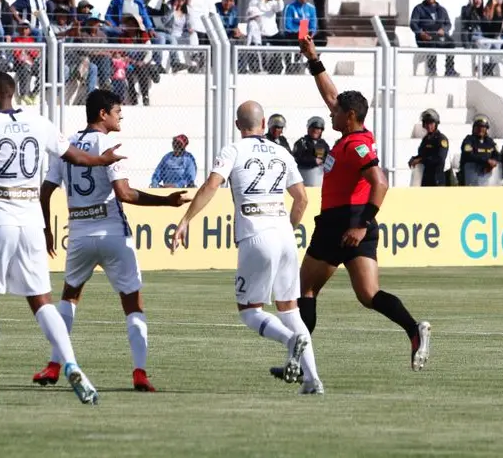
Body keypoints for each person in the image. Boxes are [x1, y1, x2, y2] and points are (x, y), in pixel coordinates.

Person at [0, 72, 125, 406]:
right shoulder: (40, 122)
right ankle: (72, 364)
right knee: (42, 300)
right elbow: (74, 156)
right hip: (31, 219)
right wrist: (102, 160)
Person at [272, 35, 430, 379]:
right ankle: (414, 330)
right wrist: (313, 58)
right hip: (356, 223)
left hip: (342, 222)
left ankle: (296, 361)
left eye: (338, 112)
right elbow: (331, 94)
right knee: (368, 294)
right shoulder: (351, 136)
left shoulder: (356, 145)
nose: (332, 112)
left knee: (305, 290)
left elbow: (381, 182)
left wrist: (361, 223)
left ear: (351, 115)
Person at [31, 90, 191, 392]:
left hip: (78, 233)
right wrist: (166, 202)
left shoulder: (66, 144)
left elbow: (46, 190)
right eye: (118, 111)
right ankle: (140, 373)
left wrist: (47, 229)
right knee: (132, 303)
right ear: (103, 114)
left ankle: (54, 365)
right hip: (112, 232)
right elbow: (125, 194)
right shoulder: (107, 145)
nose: (121, 117)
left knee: (68, 297)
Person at [171, 100, 323, 395]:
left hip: (256, 233)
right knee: (290, 309)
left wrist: (186, 219)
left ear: (238, 125)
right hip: (284, 235)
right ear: (264, 124)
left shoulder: (233, 150)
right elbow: (302, 199)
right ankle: (312, 379)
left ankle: (290, 341)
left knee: (249, 310)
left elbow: (211, 186)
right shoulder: (282, 151)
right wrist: (287, 229)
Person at [410, 0, 457, 77]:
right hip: (425, 36)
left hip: (439, 36)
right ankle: (432, 70)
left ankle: (449, 69)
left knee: (451, 43)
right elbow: (413, 24)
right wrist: (420, 33)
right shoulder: (418, 8)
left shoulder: (442, 10)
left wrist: (443, 30)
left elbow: (448, 24)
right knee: (431, 42)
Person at [409, 109, 449, 187]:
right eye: (426, 123)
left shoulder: (441, 139)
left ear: (436, 124)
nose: (428, 126)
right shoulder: (426, 139)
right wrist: (414, 159)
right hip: (426, 179)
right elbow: (422, 154)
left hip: (437, 180)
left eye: (431, 123)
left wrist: (421, 160)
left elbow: (439, 158)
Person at [458, 114, 499, 186]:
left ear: (486, 129)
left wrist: (493, 163)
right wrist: (486, 161)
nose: (481, 129)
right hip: (470, 179)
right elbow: (468, 155)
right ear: (474, 128)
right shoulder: (469, 140)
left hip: (486, 179)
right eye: (478, 127)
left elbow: (497, 155)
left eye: (483, 127)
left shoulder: (490, 141)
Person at [292, 116, 331, 187]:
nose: (316, 131)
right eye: (314, 128)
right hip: (304, 179)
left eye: (318, 129)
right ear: (309, 129)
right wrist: (312, 161)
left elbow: (330, 158)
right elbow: (296, 159)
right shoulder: (302, 143)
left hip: (319, 180)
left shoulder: (322, 143)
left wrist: (323, 161)